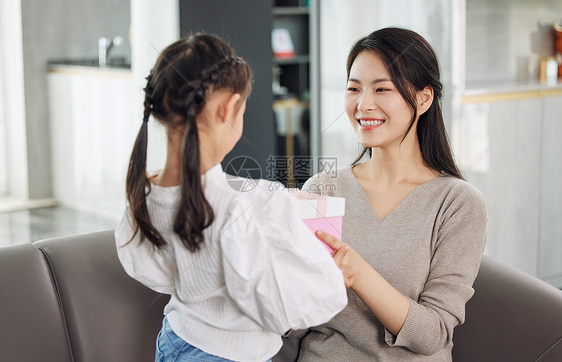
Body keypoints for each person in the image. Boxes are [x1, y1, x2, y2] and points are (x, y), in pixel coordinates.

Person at [114, 33, 347, 362]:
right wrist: (329, 273)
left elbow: (159, 273)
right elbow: (285, 309)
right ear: (229, 107)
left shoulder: (145, 194)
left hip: (174, 340)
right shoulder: (253, 208)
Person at [294, 27, 487, 361]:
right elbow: (294, 322)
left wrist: (355, 271)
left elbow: (432, 334)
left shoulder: (457, 203)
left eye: (382, 89)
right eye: (353, 89)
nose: (363, 104)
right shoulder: (323, 189)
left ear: (423, 98)